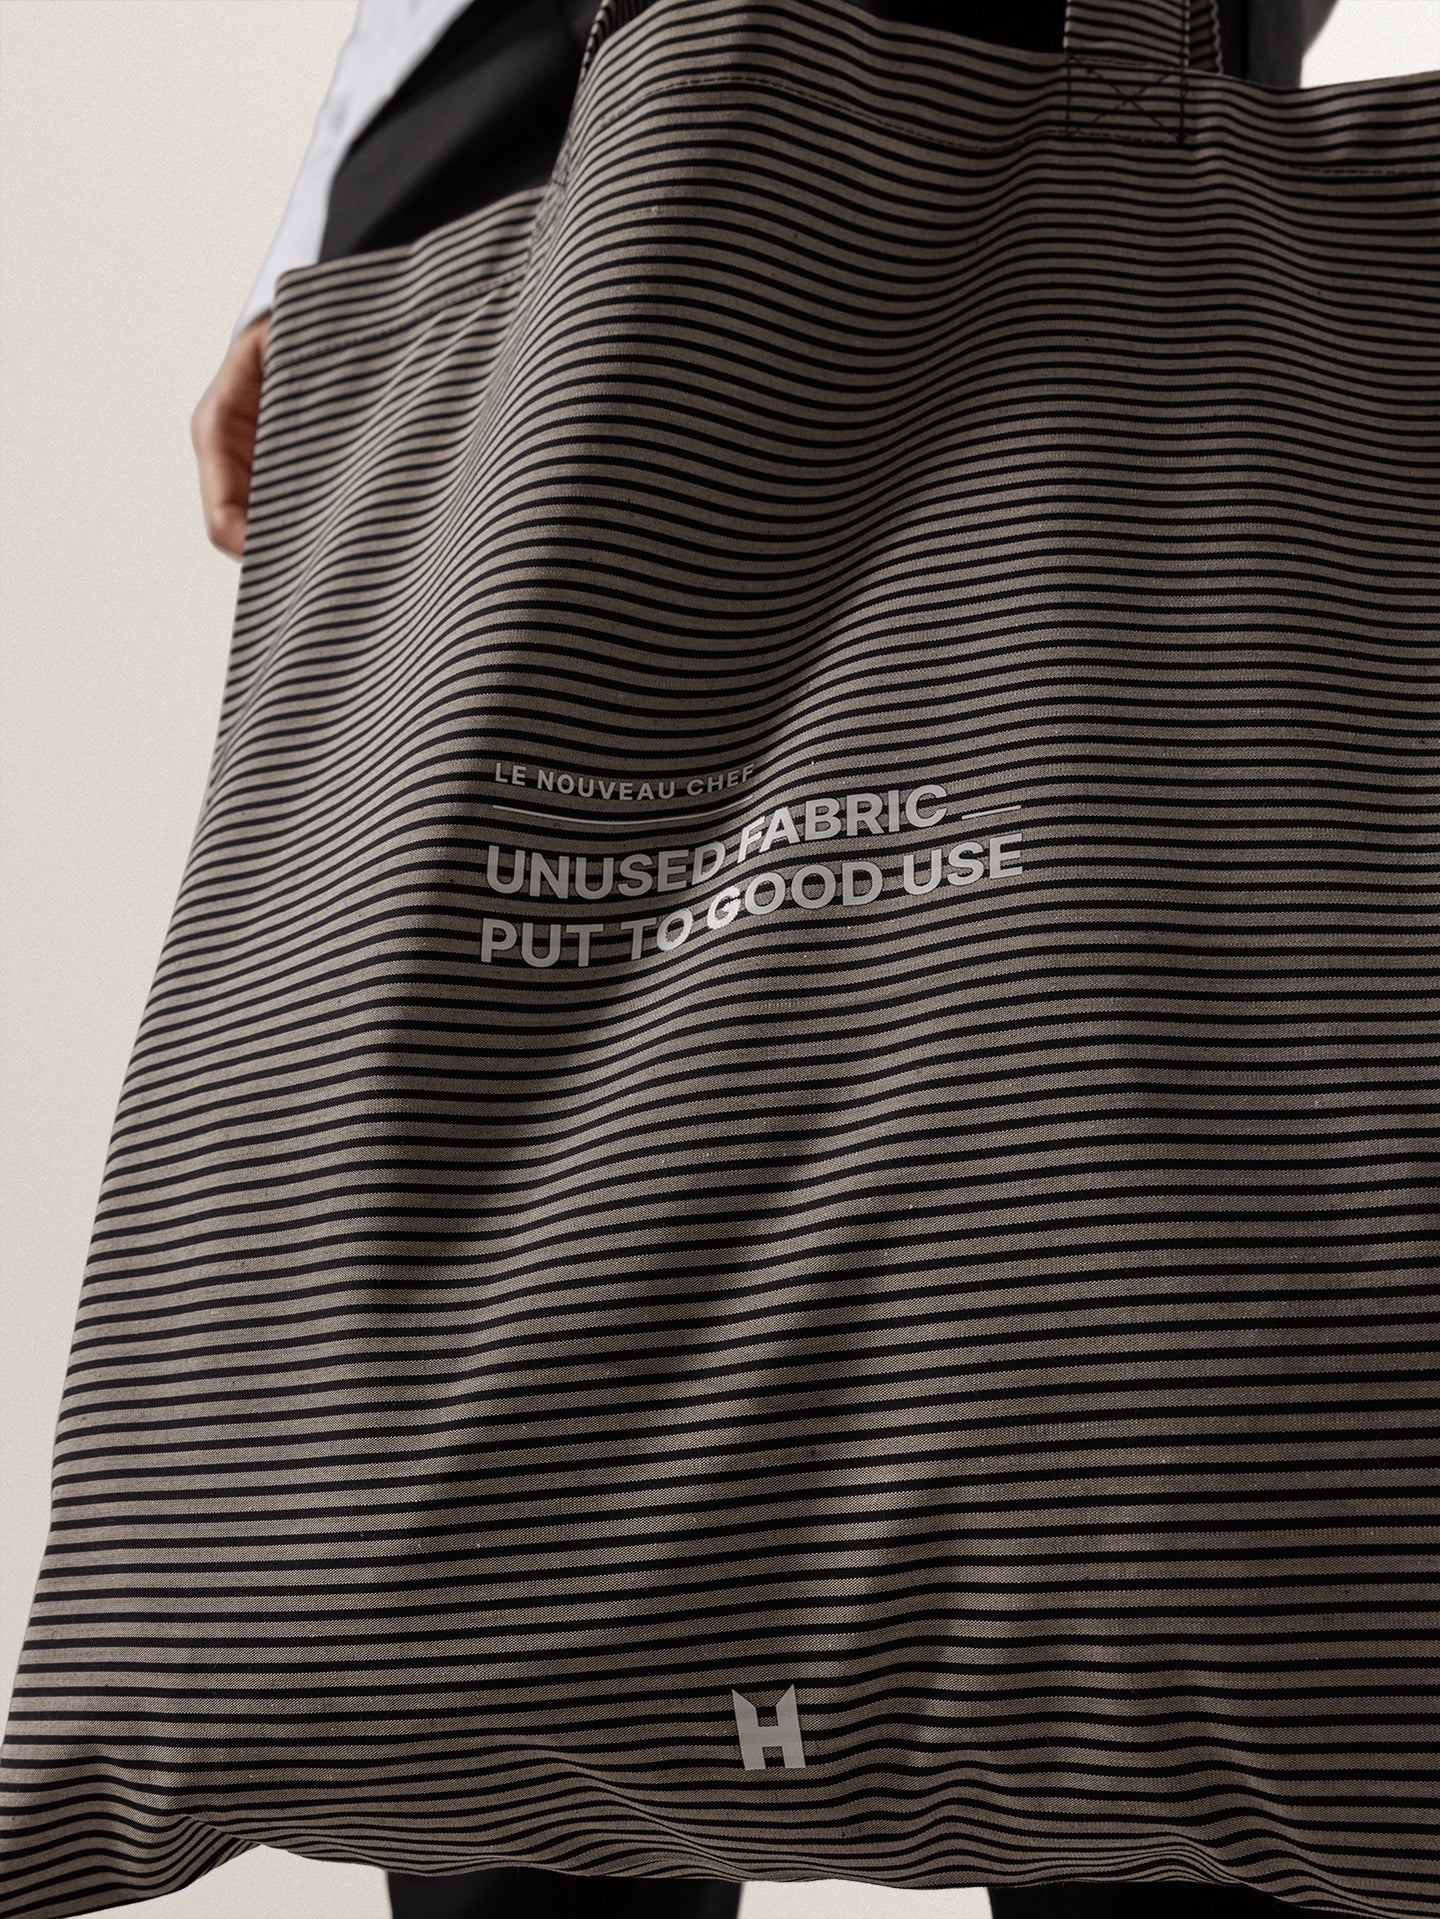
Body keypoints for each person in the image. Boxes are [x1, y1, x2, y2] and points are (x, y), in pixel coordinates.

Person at [191, 4, 1349, 1917]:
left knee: (1121, 1319)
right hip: (533, 145)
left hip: (1032, 117)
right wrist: (315, 244)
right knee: (514, 1425)